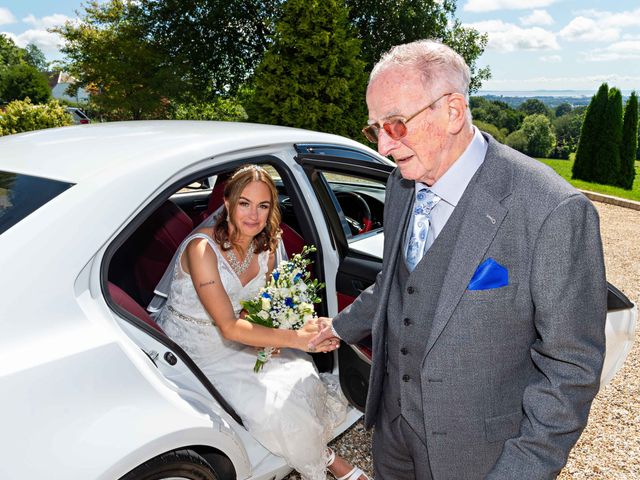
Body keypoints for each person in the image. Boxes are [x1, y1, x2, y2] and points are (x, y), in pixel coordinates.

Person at [309, 40, 606, 479]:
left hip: (477, 456)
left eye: (395, 125)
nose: (385, 147)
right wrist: (338, 326)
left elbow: (571, 369)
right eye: (376, 129)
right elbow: (396, 282)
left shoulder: (552, 210)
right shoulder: (400, 184)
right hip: (393, 435)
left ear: (452, 111)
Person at [157, 165, 368, 480]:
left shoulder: (267, 245)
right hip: (195, 348)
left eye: (263, 205)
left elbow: (272, 299)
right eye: (244, 203)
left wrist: (290, 329)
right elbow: (228, 326)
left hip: (241, 337)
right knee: (277, 409)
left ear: (271, 208)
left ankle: (315, 449)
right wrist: (296, 338)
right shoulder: (202, 250)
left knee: (299, 372)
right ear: (227, 204)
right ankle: (328, 461)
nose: (253, 215)